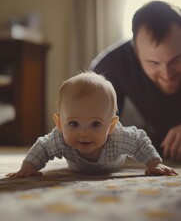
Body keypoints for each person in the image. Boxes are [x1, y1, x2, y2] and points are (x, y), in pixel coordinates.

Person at [6, 71, 177, 179]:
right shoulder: (59, 138)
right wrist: (28, 166)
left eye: (95, 124)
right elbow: (42, 147)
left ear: (110, 126)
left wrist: (154, 163)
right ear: (59, 123)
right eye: (74, 123)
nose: (84, 133)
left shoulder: (118, 137)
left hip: (115, 162)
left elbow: (140, 140)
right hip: (76, 167)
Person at [90, 0, 181, 160]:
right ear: (136, 53)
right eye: (154, 63)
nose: (167, 74)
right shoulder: (112, 64)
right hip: (157, 144)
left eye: (176, 60)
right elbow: (88, 126)